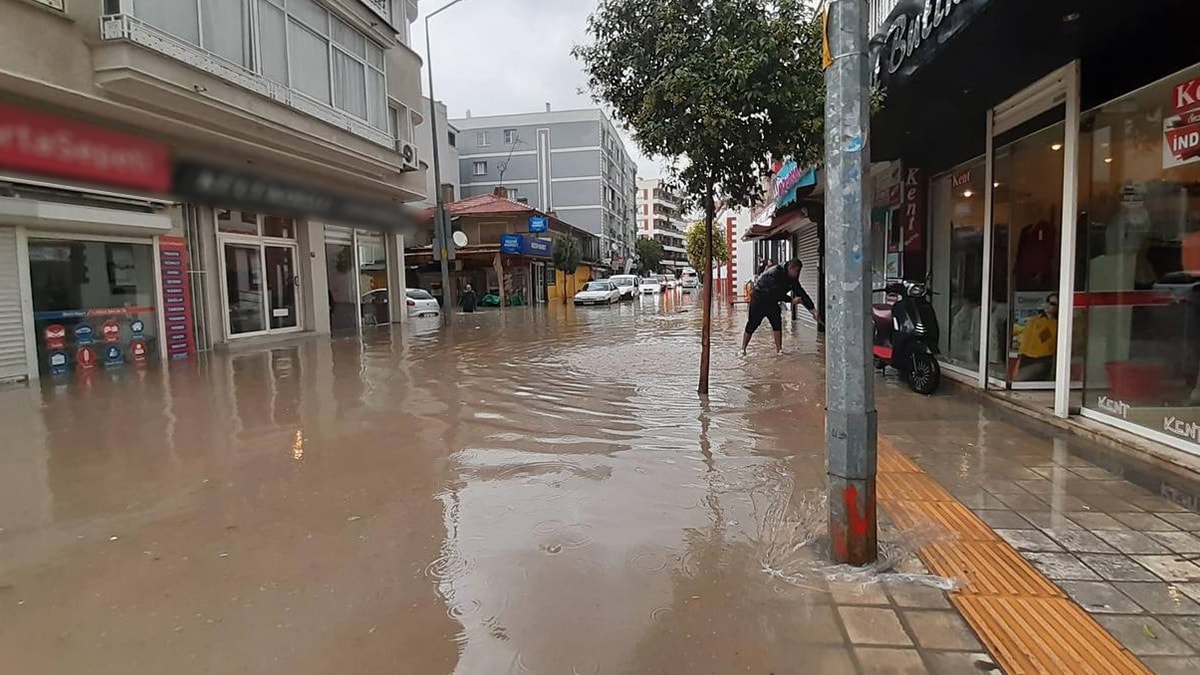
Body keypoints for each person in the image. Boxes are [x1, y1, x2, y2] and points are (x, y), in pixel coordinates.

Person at [742, 259, 819, 355]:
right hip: (759, 299)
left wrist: (813, 310)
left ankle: (779, 351)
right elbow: (774, 292)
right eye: (797, 271)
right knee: (752, 324)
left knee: (777, 324)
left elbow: (801, 292)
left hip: (772, 302)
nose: (798, 274)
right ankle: (743, 349)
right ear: (791, 268)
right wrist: (791, 300)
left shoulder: (792, 278)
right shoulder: (775, 272)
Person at [1015, 293, 1058, 381]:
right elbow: (1025, 342)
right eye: (1048, 301)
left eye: (1052, 303)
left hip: (1043, 359)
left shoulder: (1057, 324)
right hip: (1027, 358)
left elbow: (1047, 341)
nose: (1049, 305)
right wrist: (1018, 363)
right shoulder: (1034, 320)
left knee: (1021, 380)